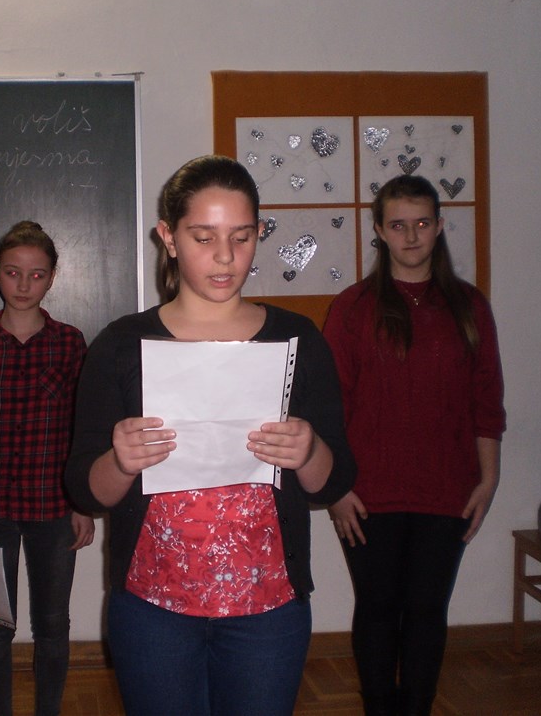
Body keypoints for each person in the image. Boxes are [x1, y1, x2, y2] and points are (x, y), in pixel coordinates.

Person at [64, 155, 356, 716]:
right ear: (168, 237)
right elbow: (84, 489)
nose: (225, 256)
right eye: (204, 238)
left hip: (269, 605)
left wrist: (309, 450)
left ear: (258, 234)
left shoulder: (297, 339)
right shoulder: (121, 344)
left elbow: (335, 479)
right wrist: (120, 461)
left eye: (241, 237)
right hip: (152, 605)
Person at [323, 174, 505, 716]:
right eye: (398, 225)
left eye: (422, 223)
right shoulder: (352, 308)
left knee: (427, 611)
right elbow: (329, 408)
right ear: (379, 231)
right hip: (366, 495)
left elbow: (486, 400)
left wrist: (490, 479)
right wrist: (336, 490)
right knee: (377, 609)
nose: (410, 236)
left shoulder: (469, 307)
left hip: (446, 491)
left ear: (439, 226)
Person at [0, 220, 94, 716]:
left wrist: (83, 504)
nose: (24, 284)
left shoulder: (70, 344)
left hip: (55, 508)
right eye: (13, 272)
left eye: (36, 274)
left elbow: (82, 432)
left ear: (52, 278)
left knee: (52, 626)